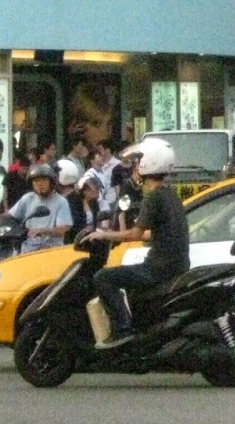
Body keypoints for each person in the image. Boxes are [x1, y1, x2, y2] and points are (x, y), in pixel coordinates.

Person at [85, 138, 189, 348]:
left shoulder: (154, 197)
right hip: (175, 265)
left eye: (138, 162)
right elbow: (151, 234)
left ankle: (122, 330)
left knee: (103, 277)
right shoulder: (170, 193)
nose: (135, 167)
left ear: (148, 164)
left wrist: (104, 235)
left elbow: (134, 234)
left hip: (157, 268)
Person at [7, 164, 74, 254]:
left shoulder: (61, 201)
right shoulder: (28, 198)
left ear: (51, 182)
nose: (40, 184)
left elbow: (63, 229)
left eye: (44, 180)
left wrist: (42, 231)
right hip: (28, 248)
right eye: (36, 181)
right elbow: (10, 216)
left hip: (51, 249)